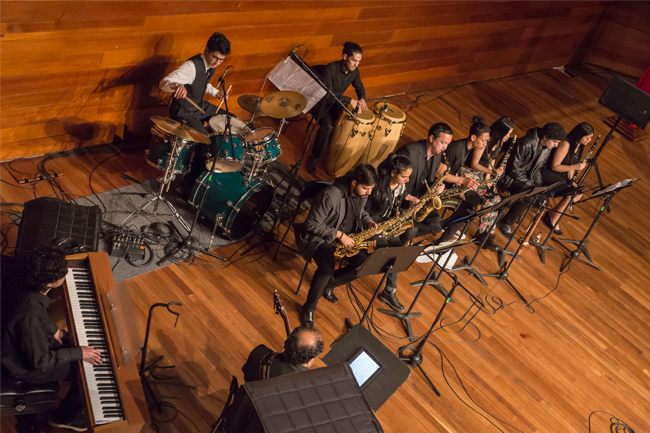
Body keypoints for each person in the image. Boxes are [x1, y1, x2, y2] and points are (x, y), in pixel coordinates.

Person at [1, 246, 103, 432]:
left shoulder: (19, 278)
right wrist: (78, 353)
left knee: (71, 345)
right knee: (86, 371)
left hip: (15, 340)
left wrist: (52, 329)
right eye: (63, 274)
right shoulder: (30, 316)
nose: (66, 274)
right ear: (49, 283)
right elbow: (40, 362)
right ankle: (64, 418)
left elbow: (22, 317)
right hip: (20, 367)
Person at [296, 164, 378, 326]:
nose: (369, 193)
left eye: (371, 189)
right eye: (366, 188)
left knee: (364, 263)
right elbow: (311, 224)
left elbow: (361, 212)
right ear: (354, 183)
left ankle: (329, 284)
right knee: (327, 268)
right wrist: (339, 235)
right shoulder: (330, 195)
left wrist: (368, 222)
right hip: (320, 237)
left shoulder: (361, 194)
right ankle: (308, 309)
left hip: (345, 237)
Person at [159, 32, 232, 195]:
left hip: (198, 105)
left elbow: (202, 83)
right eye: (215, 58)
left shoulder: (209, 65)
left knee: (229, 119)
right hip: (184, 111)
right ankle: (188, 186)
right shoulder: (191, 66)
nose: (217, 62)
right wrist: (177, 84)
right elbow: (164, 83)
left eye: (221, 60)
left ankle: (215, 163)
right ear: (207, 50)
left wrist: (216, 93)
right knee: (205, 142)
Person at [496, 122, 567, 239]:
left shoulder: (547, 148)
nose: (556, 145)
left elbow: (538, 169)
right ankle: (505, 222)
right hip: (509, 177)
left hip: (524, 179)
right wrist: (531, 185)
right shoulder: (526, 143)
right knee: (529, 195)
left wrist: (538, 186)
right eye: (555, 142)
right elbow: (514, 169)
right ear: (545, 137)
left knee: (543, 201)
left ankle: (505, 206)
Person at [306, 41, 368, 174]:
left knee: (343, 122)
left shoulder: (354, 71)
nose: (356, 64)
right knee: (328, 126)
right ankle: (314, 157)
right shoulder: (331, 69)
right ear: (345, 57)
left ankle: (333, 153)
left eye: (359, 61)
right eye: (354, 60)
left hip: (335, 103)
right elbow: (327, 96)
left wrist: (362, 98)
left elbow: (360, 87)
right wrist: (349, 100)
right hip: (319, 102)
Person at [364, 154, 415, 312]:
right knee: (385, 255)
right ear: (393, 173)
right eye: (404, 177)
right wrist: (373, 227)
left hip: (385, 222)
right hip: (369, 224)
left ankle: (389, 291)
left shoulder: (400, 187)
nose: (407, 180)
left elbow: (394, 207)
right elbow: (363, 211)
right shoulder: (377, 186)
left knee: (397, 253)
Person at [455, 116, 508, 251]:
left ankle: (488, 234)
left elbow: (492, 160)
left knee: (496, 199)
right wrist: (491, 171)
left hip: (481, 174)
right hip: (469, 172)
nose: (508, 137)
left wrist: (489, 178)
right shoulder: (484, 142)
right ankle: (481, 234)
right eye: (507, 133)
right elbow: (474, 164)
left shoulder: (499, 143)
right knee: (489, 199)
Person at [394, 122, 452, 241]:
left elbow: (426, 180)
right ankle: (397, 236)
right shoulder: (408, 152)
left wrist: (438, 186)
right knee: (411, 230)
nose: (445, 147)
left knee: (437, 225)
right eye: (443, 142)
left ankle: (400, 233)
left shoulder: (437, 155)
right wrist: (409, 197)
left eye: (447, 144)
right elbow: (392, 179)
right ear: (431, 138)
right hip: (401, 200)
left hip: (419, 201)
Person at [540, 123, 593, 235]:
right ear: (579, 135)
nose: (589, 140)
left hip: (561, 174)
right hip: (548, 173)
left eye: (590, 138)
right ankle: (553, 218)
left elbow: (571, 164)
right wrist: (576, 167)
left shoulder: (579, 145)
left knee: (577, 193)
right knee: (570, 194)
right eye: (587, 138)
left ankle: (551, 214)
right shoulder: (565, 144)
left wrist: (571, 181)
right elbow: (555, 166)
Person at [241, 326, 324, 382]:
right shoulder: (306, 384)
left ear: (285, 345)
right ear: (308, 362)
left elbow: (246, 373)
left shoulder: (259, 353)